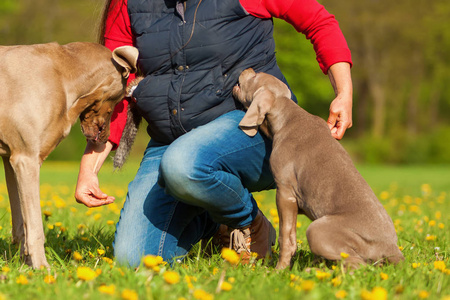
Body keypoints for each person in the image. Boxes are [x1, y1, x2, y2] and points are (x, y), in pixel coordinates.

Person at [75, 0, 353, 268]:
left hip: (252, 128)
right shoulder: (127, 3)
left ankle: (249, 222)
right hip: (171, 140)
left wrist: (344, 93)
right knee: (134, 260)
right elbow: (114, 89)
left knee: (183, 164)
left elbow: (319, 22)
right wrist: (89, 168)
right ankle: (211, 216)